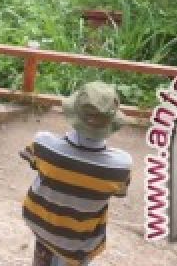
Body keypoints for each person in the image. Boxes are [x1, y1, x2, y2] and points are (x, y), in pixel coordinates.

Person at [20, 82, 133, 266]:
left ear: (73, 114)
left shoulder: (44, 144)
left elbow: (33, 161)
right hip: (80, 241)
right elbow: (119, 192)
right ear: (111, 123)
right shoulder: (121, 166)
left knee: (44, 256)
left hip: (43, 226)